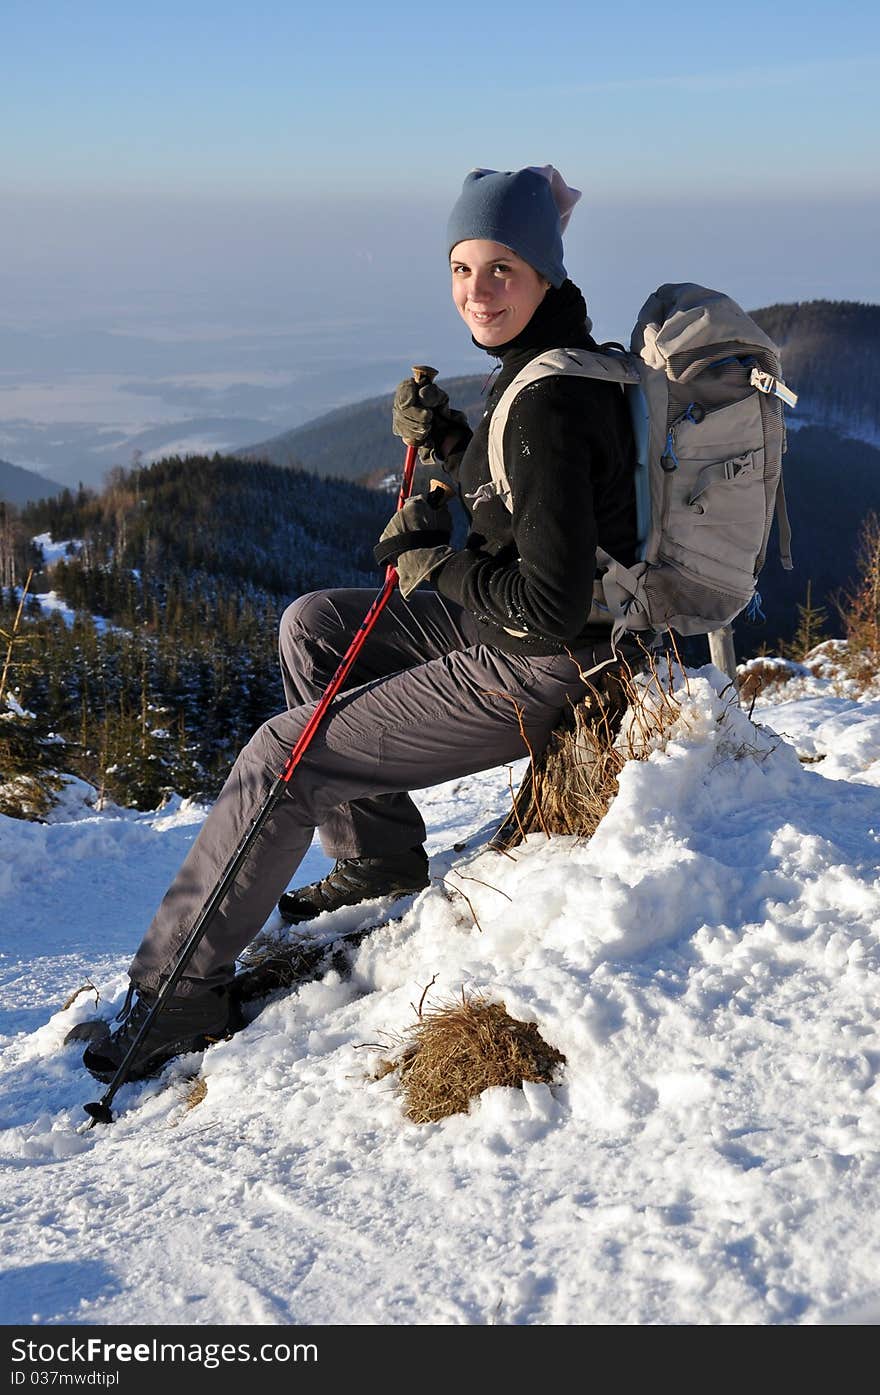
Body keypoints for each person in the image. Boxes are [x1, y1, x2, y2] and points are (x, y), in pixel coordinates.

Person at [83, 165, 639, 1084]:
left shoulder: (547, 399)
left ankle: (174, 989)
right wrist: (457, 443)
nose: (477, 291)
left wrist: (438, 567)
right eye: (462, 269)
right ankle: (376, 855)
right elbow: (530, 506)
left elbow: (543, 604)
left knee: (278, 757)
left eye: (501, 267)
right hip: (534, 638)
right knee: (312, 625)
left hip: (541, 664)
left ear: (543, 269)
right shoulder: (553, 365)